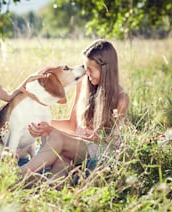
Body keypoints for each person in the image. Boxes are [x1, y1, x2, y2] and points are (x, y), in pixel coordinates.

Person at [21, 39, 130, 178]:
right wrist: (43, 123)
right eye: (85, 68)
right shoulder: (84, 85)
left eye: (90, 69)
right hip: (74, 148)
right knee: (61, 166)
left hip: (99, 151)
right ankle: (45, 185)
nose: (87, 73)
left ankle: (18, 174)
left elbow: (103, 140)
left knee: (57, 138)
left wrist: (53, 131)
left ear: (105, 68)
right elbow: (72, 125)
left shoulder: (121, 99)